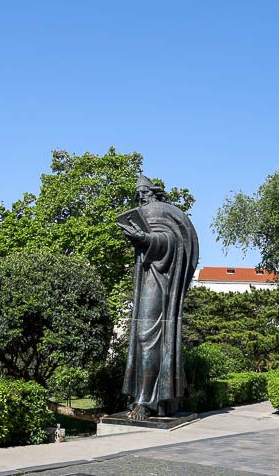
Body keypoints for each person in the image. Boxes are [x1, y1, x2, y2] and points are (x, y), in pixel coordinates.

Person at [118, 175, 199, 420]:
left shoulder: (161, 212)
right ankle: (150, 399)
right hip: (147, 278)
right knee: (146, 339)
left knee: (147, 336)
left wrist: (145, 239)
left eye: (144, 191)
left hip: (159, 280)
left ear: (153, 193)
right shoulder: (147, 213)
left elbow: (171, 242)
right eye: (137, 193)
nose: (140, 196)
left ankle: (146, 401)